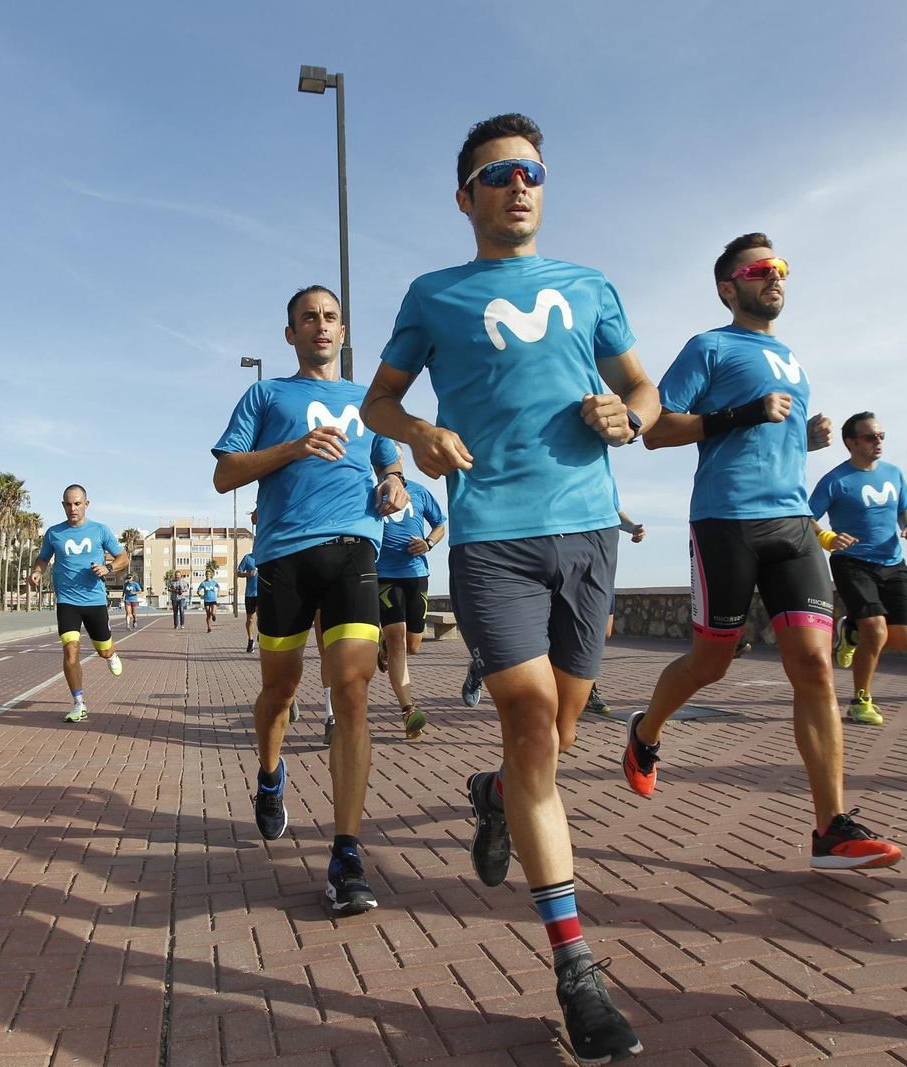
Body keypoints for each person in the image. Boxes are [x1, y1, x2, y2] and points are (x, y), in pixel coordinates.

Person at [361, 114, 655, 1064]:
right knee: (531, 721)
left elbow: (644, 393)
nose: (517, 185)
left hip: (588, 530)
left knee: (555, 738)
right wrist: (419, 436)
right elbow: (379, 400)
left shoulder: (589, 285)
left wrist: (628, 414)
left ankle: (493, 793)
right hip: (493, 535)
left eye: (530, 171)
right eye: (497, 175)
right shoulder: (434, 293)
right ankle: (578, 974)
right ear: (466, 197)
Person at [634, 232, 903, 875]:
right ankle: (645, 732)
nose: (774, 277)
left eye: (780, 268)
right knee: (711, 664)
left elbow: (769, 442)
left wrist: (804, 441)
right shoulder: (710, 346)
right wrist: (747, 411)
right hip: (726, 523)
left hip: (795, 525)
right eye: (759, 269)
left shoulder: (792, 359)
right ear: (730, 287)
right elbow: (656, 430)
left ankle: (830, 829)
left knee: (813, 667)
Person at [213, 284, 407, 916]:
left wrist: (395, 486)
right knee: (281, 691)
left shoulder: (368, 402)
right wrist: (294, 447)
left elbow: (390, 463)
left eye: (330, 317)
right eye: (308, 319)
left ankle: (346, 854)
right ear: (290, 334)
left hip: (355, 548)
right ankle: (271, 775)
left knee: (351, 691)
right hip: (283, 557)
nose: (321, 327)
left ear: (343, 331)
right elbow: (224, 474)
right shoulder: (266, 396)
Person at [809, 413, 907, 725]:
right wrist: (827, 537)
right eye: (871, 437)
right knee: (877, 629)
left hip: (893, 563)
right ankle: (861, 700)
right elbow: (804, 516)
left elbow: (904, 509)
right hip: (853, 562)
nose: (879, 442)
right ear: (851, 442)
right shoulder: (836, 480)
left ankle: (851, 629)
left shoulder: (894, 473)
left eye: (881, 436)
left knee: (906, 639)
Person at [30, 485, 128, 722]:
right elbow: (43, 558)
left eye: (77, 503)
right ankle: (79, 702)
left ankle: (112, 654)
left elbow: (123, 557)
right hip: (67, 600)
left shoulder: (100, 530)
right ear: (63, 505)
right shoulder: (54, 533)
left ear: (86, 504)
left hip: (94, 601)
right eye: (68, 504)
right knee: (70, 650)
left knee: (103, 650)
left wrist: (108, 568)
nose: (72, 508)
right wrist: (36, 572)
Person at [375, 470, 446, 739]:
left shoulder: (420, 491)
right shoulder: (369, 494)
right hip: (383, 574)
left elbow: (440, 524)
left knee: (412, 645)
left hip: (416, 574)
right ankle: (408, 710)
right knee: (398, 640)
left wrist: (428, 543)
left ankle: (383, 649)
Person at [585, 505, 645, 717]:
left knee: (604, 633)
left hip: (605, 572)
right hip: (579, 569)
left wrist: (632, 527)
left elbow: (613, 508)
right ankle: (587, 691)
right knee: (584, 635)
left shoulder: (602, 483)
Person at [239, 517, 260, 653]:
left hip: (264, 592)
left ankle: (261, 635)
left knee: (263, 618)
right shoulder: (248, 558)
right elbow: (238, 572)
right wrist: (248, 574)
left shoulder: (267, 556)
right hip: (250, 593)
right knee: (250, 618)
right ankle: (250, 640)